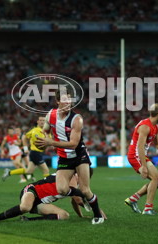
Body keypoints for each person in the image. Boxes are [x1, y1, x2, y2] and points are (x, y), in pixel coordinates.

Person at [35, 88, 105, 224]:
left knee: (85, 189)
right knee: (62, 189)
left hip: (79, 156)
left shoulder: (76, 119)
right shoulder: (50, 115)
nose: (69, 103)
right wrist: (43, 140)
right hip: (64, 158)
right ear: (58, 101)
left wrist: (51, 142)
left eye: (70, 100)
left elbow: (73, 144)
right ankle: (82, 197)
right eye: (65, 100)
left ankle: (98, 215)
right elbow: (45, 131)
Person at [0, 171, 105, 223]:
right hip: (32, 191)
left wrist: (81, 215)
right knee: (25, 207)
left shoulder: (76, 184)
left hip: (40, 203)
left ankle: (27, 220)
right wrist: (98, 212)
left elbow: (74, 201)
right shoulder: (70, 176)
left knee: (64, 216)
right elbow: (78, 199)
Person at [124, 103, 158, 215]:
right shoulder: (145, 126)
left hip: (141, 155)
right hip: (135, 155)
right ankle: (148, 208)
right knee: (155, 179)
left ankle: (133, 199)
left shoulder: (155, 127)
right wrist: (143, 166)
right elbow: (140, 146)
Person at [2, 116, 50, 182]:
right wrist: (25, 148)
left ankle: (9, 172)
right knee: (46, 170)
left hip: (38, 152)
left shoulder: (46, 131)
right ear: (37, 122)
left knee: (28, 171)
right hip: (35, 152)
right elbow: (24, 137)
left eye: (43, 120)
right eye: (40, 120)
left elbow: (49, 141)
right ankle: (46, 186)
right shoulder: (34, 130)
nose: (42, 122)